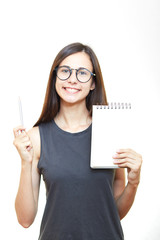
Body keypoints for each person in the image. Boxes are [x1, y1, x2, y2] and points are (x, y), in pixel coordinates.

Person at [13, 42, 142, 240]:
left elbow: (113, 214)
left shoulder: (111, 131)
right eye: (65, 71)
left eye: (82, 73)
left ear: (93, 83)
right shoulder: (36, 137)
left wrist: (133, 183)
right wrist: (25, 162)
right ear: (55, 77)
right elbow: (25, 219)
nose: (72, 79)